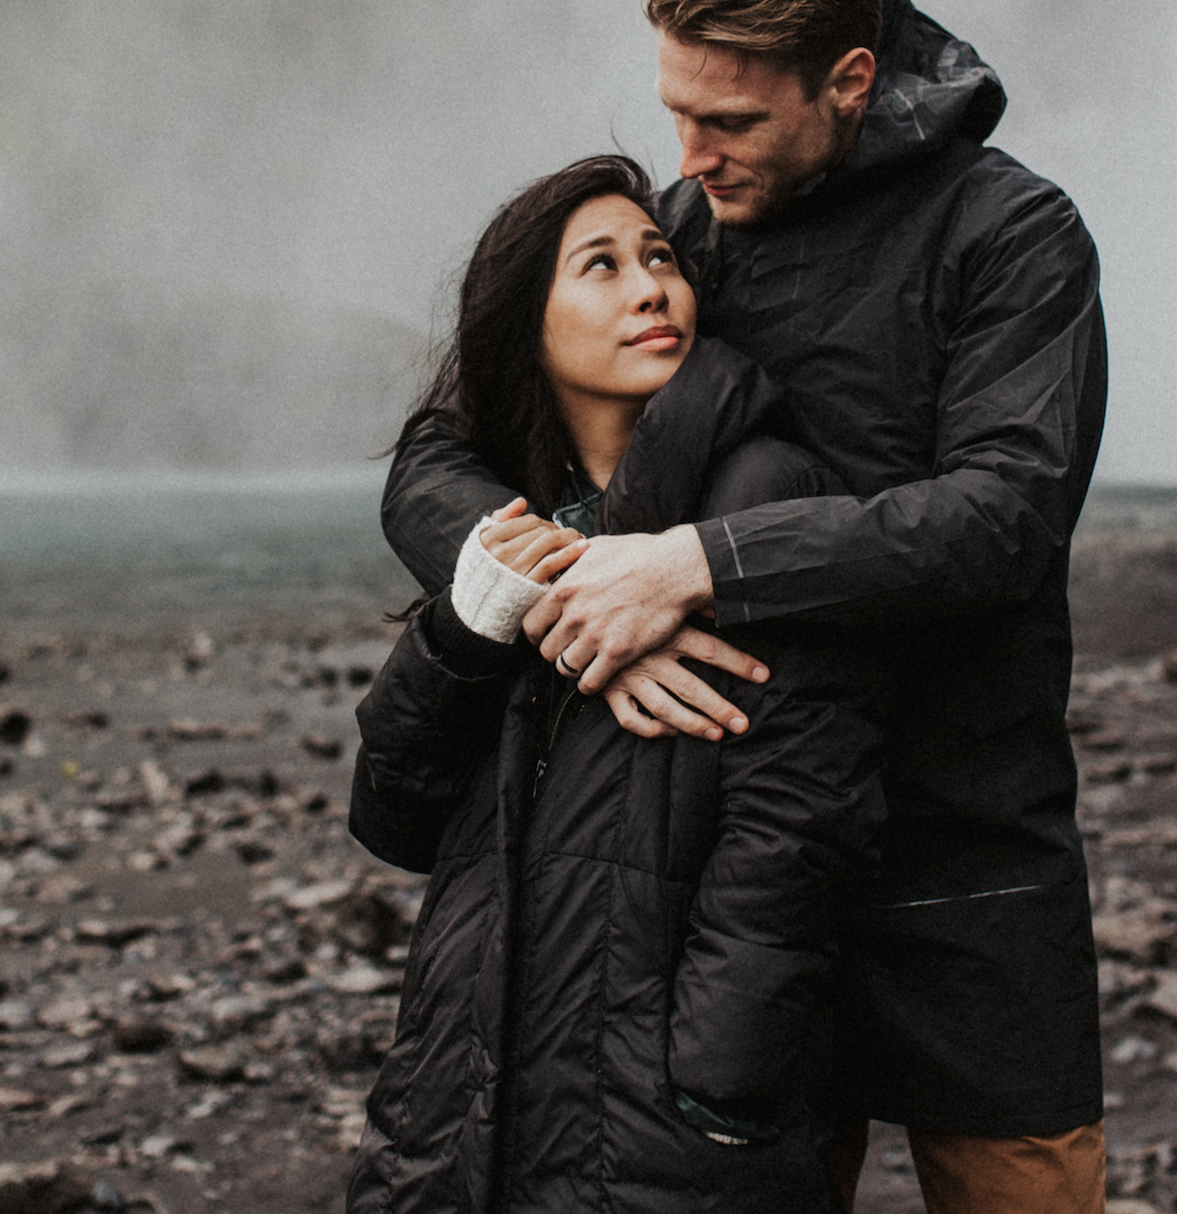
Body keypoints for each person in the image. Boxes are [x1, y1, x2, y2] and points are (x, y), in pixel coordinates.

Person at [385, 0, 1110, 1211]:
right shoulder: (679, 237)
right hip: (731, 866)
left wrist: (689, 567)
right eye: (675, 111)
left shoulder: (1012, 236)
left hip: (969, 846)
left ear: (849, 81)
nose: (690, 153)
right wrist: (562, 594)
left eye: (728, 121)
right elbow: (439, 454)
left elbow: (1003, 519)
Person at [346, 154, 886, 1214]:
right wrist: (473, 621)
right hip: (469, 1073)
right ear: (524, 324)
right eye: (602, 265)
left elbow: (804, 813)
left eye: (661, 259)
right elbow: (393, 815)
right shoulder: (508, 531)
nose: (652, 286)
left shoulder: (766, 493)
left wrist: (716, 1075)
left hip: (665, 1113)